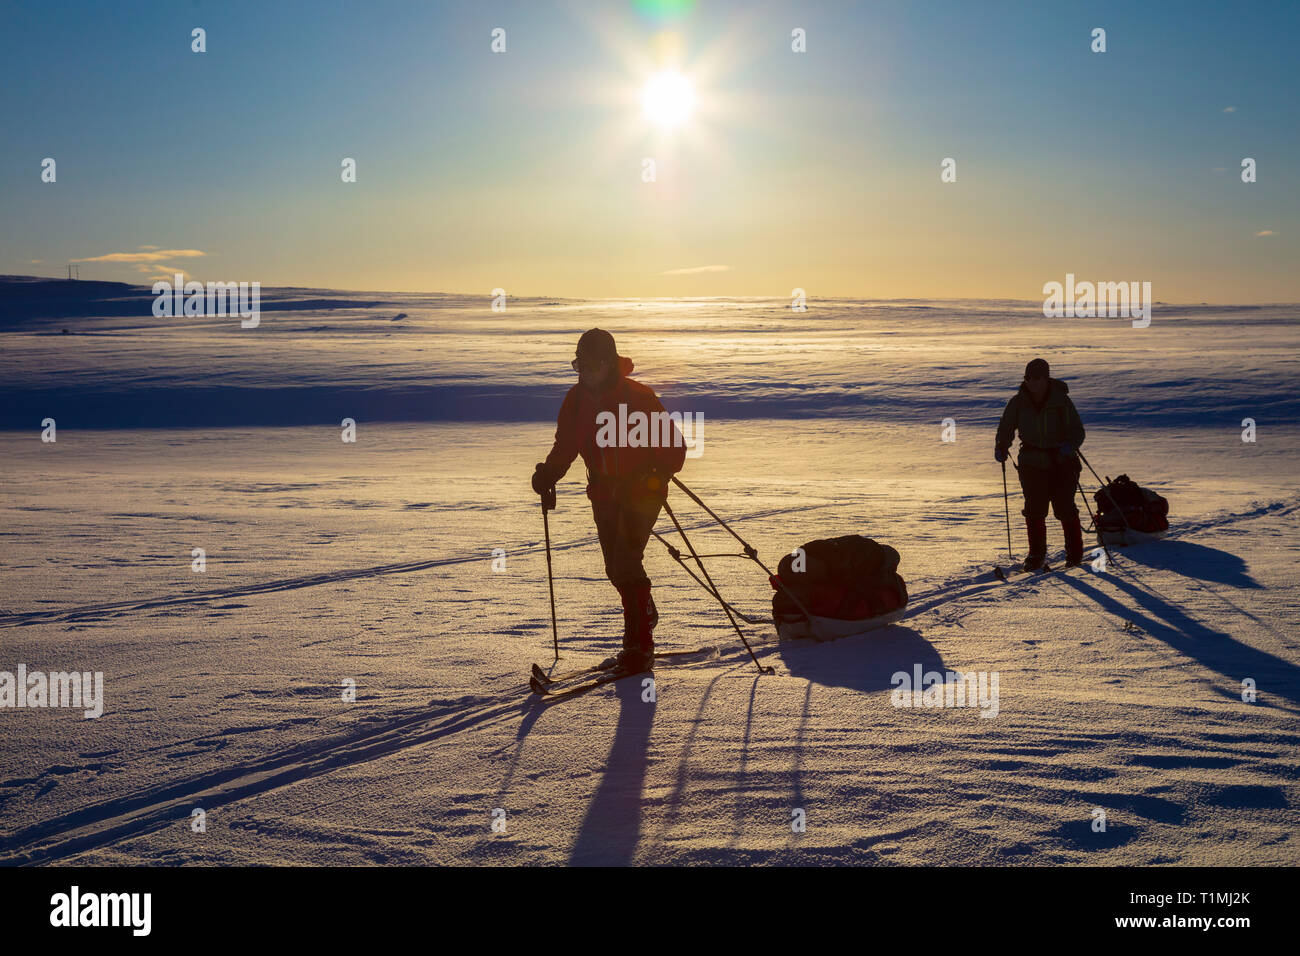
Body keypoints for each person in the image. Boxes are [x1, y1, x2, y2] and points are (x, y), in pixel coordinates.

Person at [531, 329, 687, 672]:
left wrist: (652, 476)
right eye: (577, 364)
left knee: (626, 561)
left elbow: (674, 451)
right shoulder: (576, 400)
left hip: (643, 494)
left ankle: (639, 646)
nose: (582, 371)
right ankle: (643, 612)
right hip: (603, 493)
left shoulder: (640, 397)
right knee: (614, 568)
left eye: (588, 364)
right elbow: (566, 445)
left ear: (607, 363)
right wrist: (549, 474)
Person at [994, 358, 1086, 570]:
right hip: (1031, 463)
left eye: (1036, 378)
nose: (1032, 383)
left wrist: (1069, 446)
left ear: (1046, 379)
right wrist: (1001, 445)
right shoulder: (1017, 402)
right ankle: (1036, 555)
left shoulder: (1061, 401)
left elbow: (1077, 432)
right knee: (1034, 509)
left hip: (1062, 463)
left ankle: (1075, 554)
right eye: (1028, 378)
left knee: (1065, 508)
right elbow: (1006, 428)